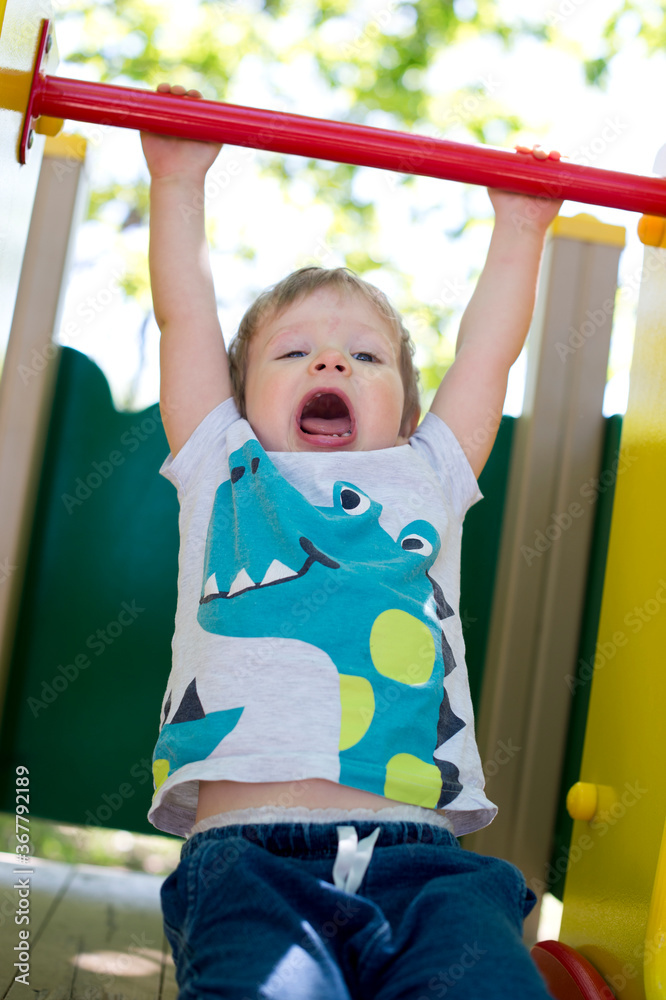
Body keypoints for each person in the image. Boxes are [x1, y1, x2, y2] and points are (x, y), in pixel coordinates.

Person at [141, 83, 561, 999]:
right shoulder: (222, 462)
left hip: (426, 867)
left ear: (407, 411)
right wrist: (176, 181)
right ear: (239, 397)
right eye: (292, 354)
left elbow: (486, 356)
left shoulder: (427, 473)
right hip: (251, 864)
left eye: (365, 356)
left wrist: (523, 227)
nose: (330, 362)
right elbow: (185, 316)